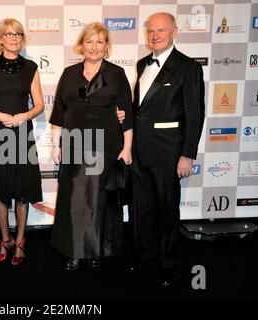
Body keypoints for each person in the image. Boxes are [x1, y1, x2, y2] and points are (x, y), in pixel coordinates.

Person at [49, 22, 133, 271]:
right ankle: (74, 251)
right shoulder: (69, 73)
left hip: (105, 145)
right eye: (89, 41)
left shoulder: (116, 74)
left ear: (106, 46)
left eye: (100, 41)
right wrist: (56, 145)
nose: (94, 47)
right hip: (73, 144)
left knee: (99, 201)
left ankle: (96, 250)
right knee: (74, 200)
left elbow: (127, 114)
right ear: (81, 45)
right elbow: (59, 114)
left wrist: (126, 148)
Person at [129, 12, 205, 286]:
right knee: (142, 209)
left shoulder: (188, 67)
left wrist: (187, 154)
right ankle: (145, 255)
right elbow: (140, 110)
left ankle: (169, 264)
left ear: (174, 32)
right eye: (150, 31)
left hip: (168, 153)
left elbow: (195, 115)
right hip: (138, 151)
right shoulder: (140, 65)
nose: (155, 35)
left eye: (161, 30)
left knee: (167, 210)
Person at [0, 18, 44, 266]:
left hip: (21, 136)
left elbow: (39, 104)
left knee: (22, 191)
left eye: (18, 34)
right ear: (1, 39)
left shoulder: (31, 67)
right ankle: (4, 238)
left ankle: (20, 241)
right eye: (9, 34)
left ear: (22, 38)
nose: (14, 38)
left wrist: (23, 116)